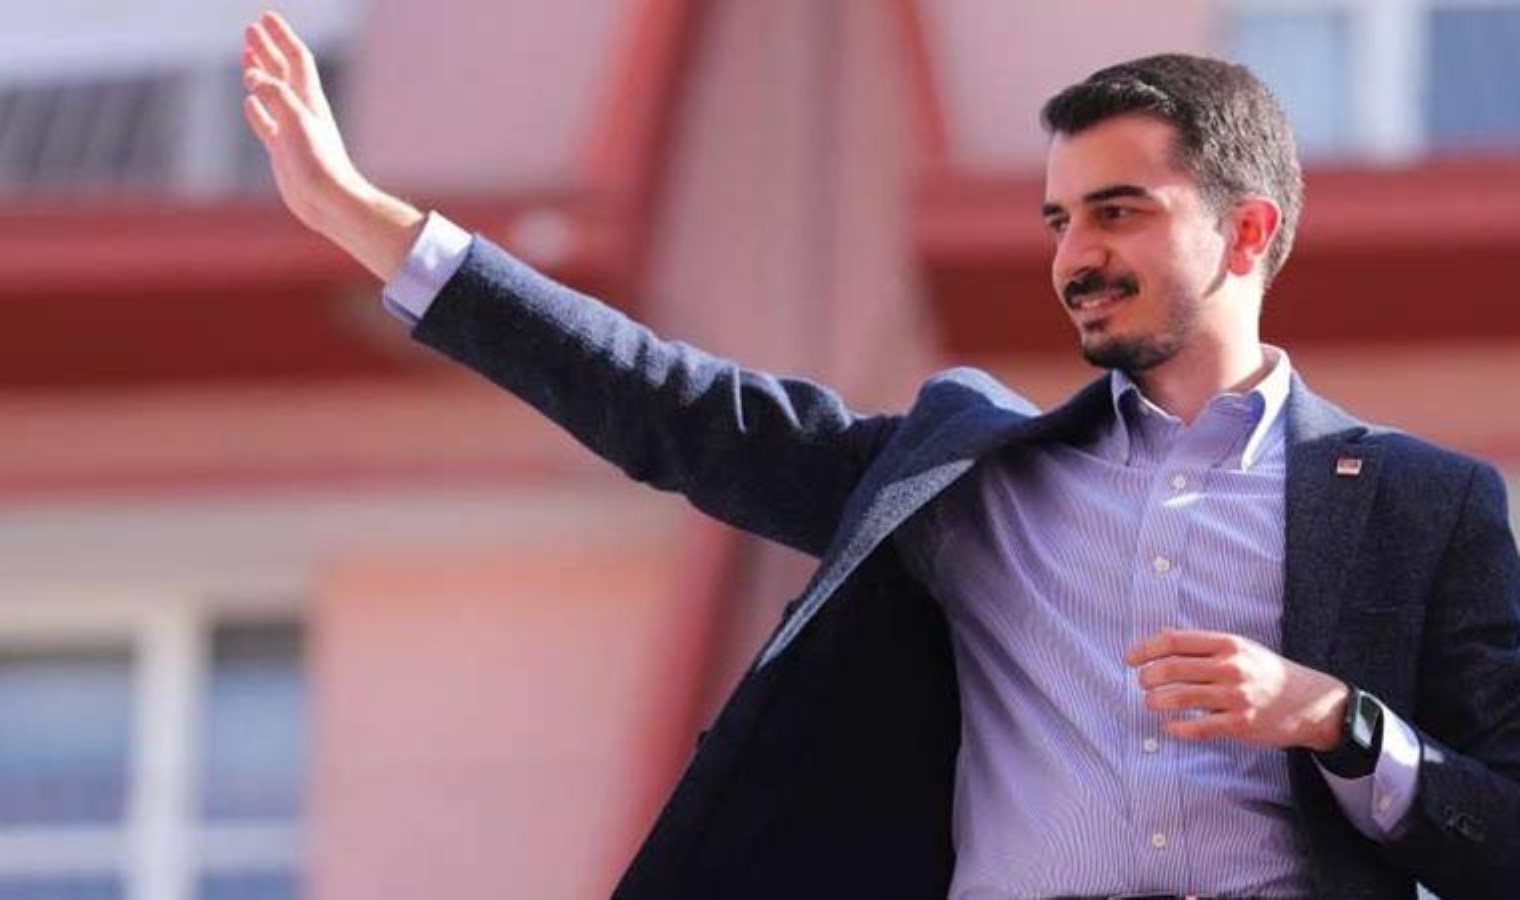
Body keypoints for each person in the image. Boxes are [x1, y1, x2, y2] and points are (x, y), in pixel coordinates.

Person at [242, 11, 1520, 899]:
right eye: (1058, 220)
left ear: (1245, 232)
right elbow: (670, 408)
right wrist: (368, 222)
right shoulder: (964, 480)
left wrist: (1338, 723)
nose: (1073, 257)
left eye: (1118, 212)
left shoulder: (1421, 505)